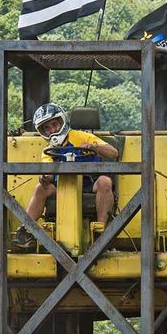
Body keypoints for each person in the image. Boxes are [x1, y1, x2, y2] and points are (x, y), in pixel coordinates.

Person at [17, 103, 118, 247]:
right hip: (63, 189)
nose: (53, 130)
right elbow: (48, 174)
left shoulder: (84, 137)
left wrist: (93, 147)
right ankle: (25, 230)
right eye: (47, 128)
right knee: (41, 188)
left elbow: (113, 153)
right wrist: (45, 178)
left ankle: (100, 232)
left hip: (91, 187)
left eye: (55, 124)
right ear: (43, 132)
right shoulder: (48, 151)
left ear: (62, 122)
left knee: (104, 181)